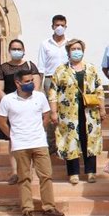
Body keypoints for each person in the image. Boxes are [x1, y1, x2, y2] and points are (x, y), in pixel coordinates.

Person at [0, 69, 65, 216]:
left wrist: (40, 128)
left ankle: (49, 207)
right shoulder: (8, 100)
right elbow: (1, 122)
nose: (30, 84)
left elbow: (46, 115)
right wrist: (13, 136)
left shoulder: (40, 97)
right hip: (20, 145)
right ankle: (27, 209)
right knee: (24, 178)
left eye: (31, 81)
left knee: (46, 176)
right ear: (17, 83)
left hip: (39, 142)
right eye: (27, 81)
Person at [49, 39, 106, 185]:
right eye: (73, 49)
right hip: (68, 114)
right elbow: (53, 92)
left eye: (78, 48)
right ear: (68, 52)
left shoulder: (91, 68)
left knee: (90, 140)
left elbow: (99, 89)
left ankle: (91, 172)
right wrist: (54, 112)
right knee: (71, 141)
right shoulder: (61, 70)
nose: (76, 51)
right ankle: (73, 173)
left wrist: (102, 108)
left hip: (90, 113)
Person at [0, 39, 41, 185]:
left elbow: (37, 87)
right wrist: (11, 104)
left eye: (19, 48)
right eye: (14, 48)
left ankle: (30, 171)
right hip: (11, 109)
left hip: (30, 107)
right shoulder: (3, 68)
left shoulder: (30, 66)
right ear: (9, 50)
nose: (16, 51)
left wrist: (27, 102)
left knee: (31, 138)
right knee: (13, 140)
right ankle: (15, 172)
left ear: (24, 50)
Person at [37, 14, 69, 153]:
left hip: (67, 80)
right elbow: (41, 67)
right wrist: (38, 87)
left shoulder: (70, 44)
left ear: (66, 26)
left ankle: (66, 143)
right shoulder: (45, 44)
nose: (59, 28)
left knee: (67, 111)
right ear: (52, 26)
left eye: (62, 25)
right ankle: (51, 144)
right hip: (50, 80)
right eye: (57, 25)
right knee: (51, 113)